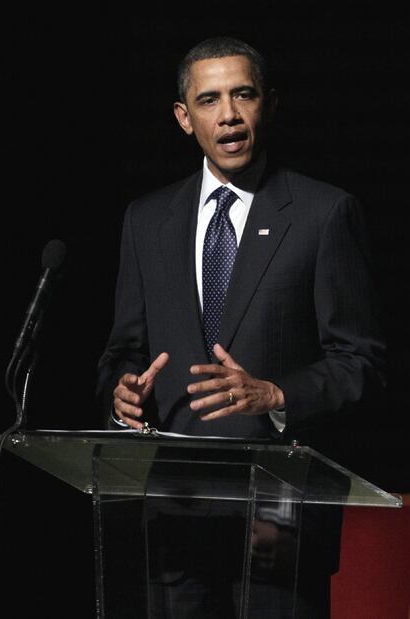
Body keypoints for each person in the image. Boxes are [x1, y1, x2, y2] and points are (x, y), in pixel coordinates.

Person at [96, 36, 386, 619]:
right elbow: (121, 353)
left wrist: (278, 394)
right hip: (174, 517)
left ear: (268, 105)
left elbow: (364, 364)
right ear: (184, 117)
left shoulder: (323, 213)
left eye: (242, 95)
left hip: (279, 518)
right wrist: (120, 396)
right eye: (208, 100)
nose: (227, 114)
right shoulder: (147, 220)